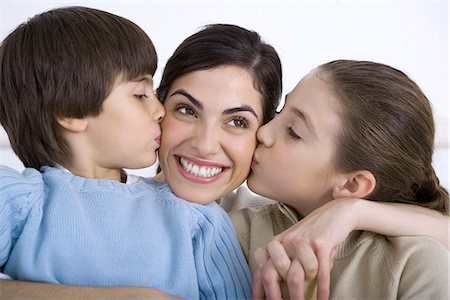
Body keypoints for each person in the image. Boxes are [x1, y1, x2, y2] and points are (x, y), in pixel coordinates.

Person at [1, 20, 448, 298]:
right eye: (184, 109)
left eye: (238, 122)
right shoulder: (32, 198)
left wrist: (351, 212)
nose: (205, 144)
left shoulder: (219, 228)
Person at [0, 7, 252, 299]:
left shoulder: (196, 220)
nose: (160, 110)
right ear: (72, 111)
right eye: (140, 95)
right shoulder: (15, 200)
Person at [222, 60, 449, 299]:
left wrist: (354, 212)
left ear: (352, 184)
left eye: (293, 132)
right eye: (280, 111)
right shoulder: (227, 222)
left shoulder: (417, 266)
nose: (263, 132)